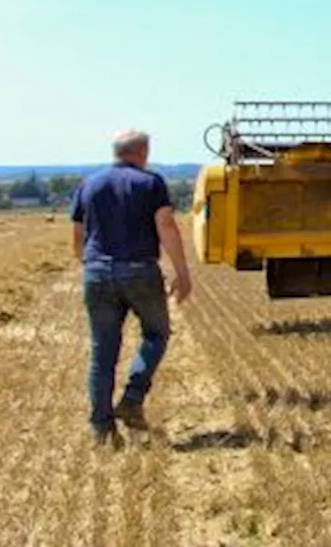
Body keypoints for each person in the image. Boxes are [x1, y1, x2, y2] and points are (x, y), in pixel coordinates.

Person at [70, 129, 193, 445]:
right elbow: (165, 226)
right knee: (157, 334)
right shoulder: (151, 183)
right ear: (144, 152)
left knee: (103, 350)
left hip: (97, 273)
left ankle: (101, 427)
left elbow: (78, 234)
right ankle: (132, 398)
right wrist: (181, 272)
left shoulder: (89, 184)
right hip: (139, 271)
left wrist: (91, 266)